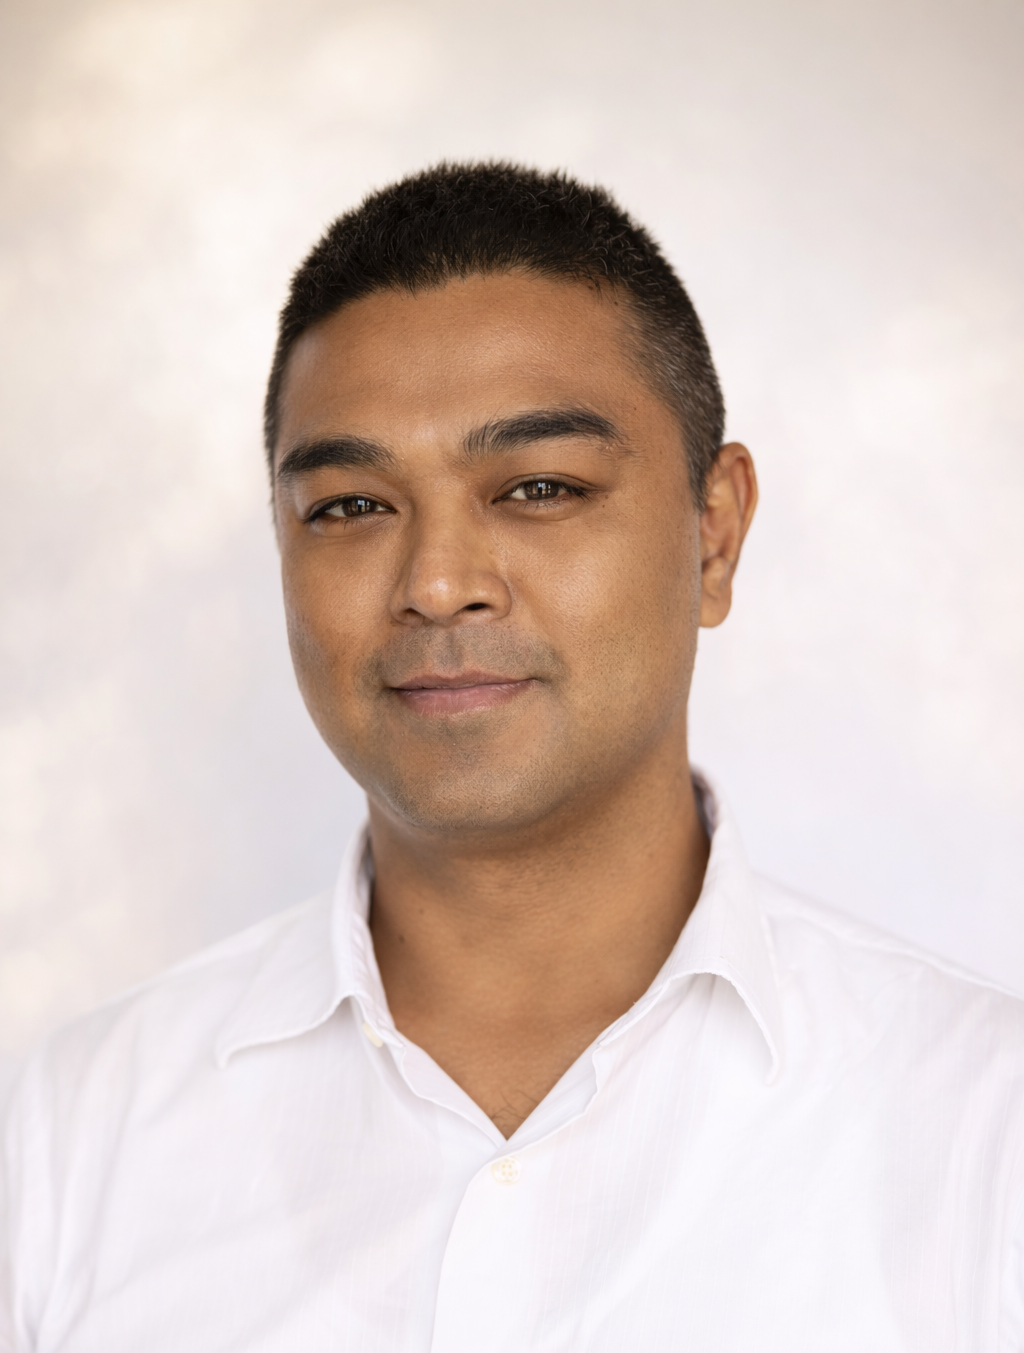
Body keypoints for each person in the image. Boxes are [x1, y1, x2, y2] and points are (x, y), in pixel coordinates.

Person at [2, 163, 1022, 1352]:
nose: (437, 581)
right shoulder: (63, 1146)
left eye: (538, 487)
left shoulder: (982, 1134)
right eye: (349, 506)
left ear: (715, 535)